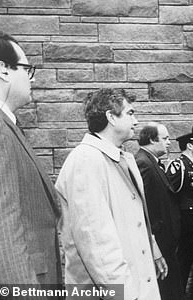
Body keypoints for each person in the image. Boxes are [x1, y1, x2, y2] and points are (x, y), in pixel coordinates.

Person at [55, 88, 166, 300]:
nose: (136, 121)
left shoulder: (122, 158)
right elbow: (96, 242)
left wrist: (152, 248)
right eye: (130, 113)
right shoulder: (86, 161)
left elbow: (133, 220)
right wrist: (125, 295)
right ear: (110, 117)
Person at [0, 31, 62, 289]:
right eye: (26, 68)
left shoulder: (6, 126)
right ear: (4, 70)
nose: (32, 77)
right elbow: (2, 224)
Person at [136, 123, 183, 300]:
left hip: (166, 242)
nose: (169, 143)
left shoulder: (152, 162)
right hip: (159, 243)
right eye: (165, 139)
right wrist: (155, 242)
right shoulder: (143, 163)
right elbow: (143, 205)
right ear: (151, 140)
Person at [166, 132, 193, 300]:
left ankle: (185, 293)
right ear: (190, 145)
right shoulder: (179, 165)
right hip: (187, 219)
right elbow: (170, 192)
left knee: (186, 257)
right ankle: (192, 293)